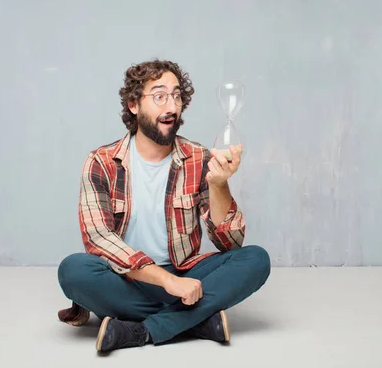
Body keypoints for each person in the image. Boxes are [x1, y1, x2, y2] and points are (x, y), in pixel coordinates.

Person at [56, 59, 271, 353]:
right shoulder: (101, 163)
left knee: (256, 259)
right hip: (127, 278)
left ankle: (141, 331)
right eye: (159, 96)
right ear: (134, 104)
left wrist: (219, 184)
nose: (171, 107)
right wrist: (167, 283)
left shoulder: (198, 157)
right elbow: (98, 240)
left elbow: (230, 242)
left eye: (176, 95)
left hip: (185, 273)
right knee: (73, 270)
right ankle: (195, 320)